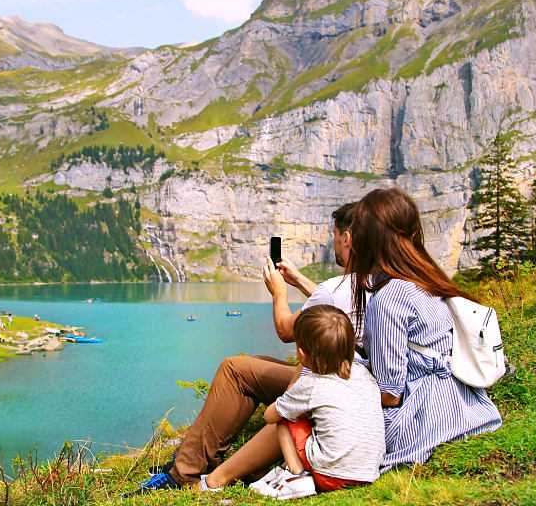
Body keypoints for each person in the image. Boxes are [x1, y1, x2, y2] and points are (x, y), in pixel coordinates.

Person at [140, 203, 361, 490]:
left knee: (236, 370)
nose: (333, 243)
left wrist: (279, 291)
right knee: (252, 363)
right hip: (349, 379)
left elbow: (286, 330)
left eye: (334, 235)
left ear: (347, 237)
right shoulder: (369, 281)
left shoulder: (340, 287)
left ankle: (184, 472)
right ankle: (197, 458)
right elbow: (331, 299)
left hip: (330, 383)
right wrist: (300, 282)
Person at [349, 188, 501, 471]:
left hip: (422, 422)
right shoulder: (428, 282)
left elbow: (390, 394)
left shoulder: (387, 300)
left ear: (366, 241)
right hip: (469, 409)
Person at [199, 306, 384, 499]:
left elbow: (270, 415)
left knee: (284, 417)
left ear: (302, 354)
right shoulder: (364, 374)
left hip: (331, 476)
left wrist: (288, 395)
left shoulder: (311, 384)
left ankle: (295, 475)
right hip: (367, 473)